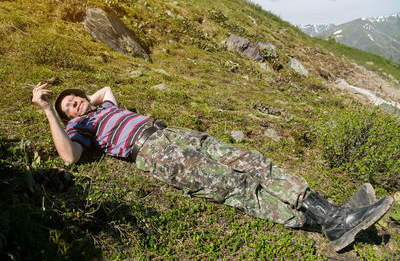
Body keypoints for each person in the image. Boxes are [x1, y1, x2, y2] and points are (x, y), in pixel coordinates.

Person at [32, 83, 393, 252]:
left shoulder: (104, 108)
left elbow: (106, 88)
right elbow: (69, 158)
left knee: (252, 161)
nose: (76, 105)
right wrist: (51, 110)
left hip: (174, 133)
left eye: (76, 99)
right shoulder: (81, 129)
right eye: (70, 107)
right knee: (237, 187)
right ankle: (331, 222)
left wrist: (88, 101)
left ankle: (334, 213)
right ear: (69, 119)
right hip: (153, 152)